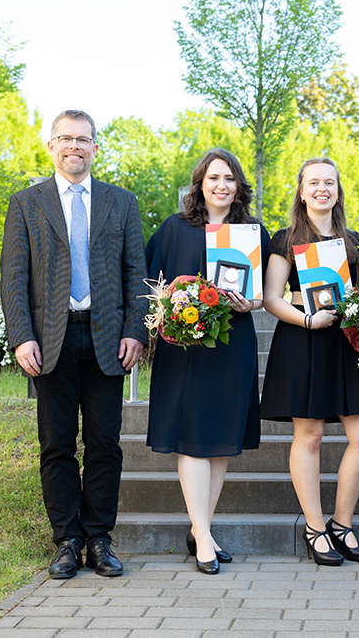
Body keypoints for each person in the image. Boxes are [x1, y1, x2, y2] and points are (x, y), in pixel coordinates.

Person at [0, 109, 147, 579]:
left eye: (83, 140)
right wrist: (22, 336)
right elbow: (13, 278)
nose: (74, 147)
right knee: (57, 444)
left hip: (107, 339)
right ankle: (67, 539)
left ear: (95, 148)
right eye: (65, 139)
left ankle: (100, 539)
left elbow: (135, 274)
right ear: (51, 146)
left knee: (105, 444)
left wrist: (136, 330)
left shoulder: (121, 202)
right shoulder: (26, 203)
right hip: (49, 341)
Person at [144, 149, 269, 575]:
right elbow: (151, 284)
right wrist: (173, 307)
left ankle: (203, 530)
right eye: (214, 177)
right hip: (185, 350)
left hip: (232, 348)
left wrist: (249, 302)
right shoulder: (174, 229)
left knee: (219, 446)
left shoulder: (252, 232)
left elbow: (263, 294)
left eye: (230, 178)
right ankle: (203, 541)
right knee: (194, 440)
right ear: (199, 184)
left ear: (239, 187)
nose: (221, 185)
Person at [260, 158, 359, 566]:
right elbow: (271, 298)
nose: (322, 189)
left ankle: (341, 524)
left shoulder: (355, 240)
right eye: (314, 182)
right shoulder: (286, 237)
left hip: (345, 344)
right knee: (308, 436)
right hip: (302, 339)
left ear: (338, 189)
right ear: (301, 189)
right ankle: (315, 528)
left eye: (329, 182)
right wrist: (308, 319)